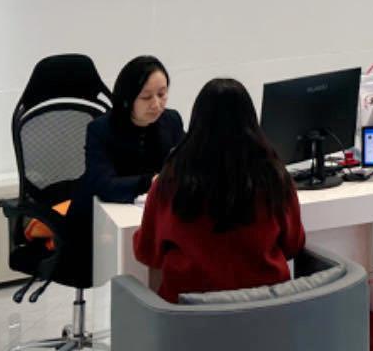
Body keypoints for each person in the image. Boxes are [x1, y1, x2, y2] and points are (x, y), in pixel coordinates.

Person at [132, 78, 305, 303]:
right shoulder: (274, 177)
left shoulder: (171, 181)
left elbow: (147, 252)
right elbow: (293, 245)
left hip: (189, 313)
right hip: (266, 310)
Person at [83, 55, 186, 204]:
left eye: (161, 94)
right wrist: (150, 182)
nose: (156, 104)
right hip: (103, 211)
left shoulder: (171, 121)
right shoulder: (100, 129)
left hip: (153, 207)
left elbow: (188, 164)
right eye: (146, 97)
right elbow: (103, 185)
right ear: (127, 99)